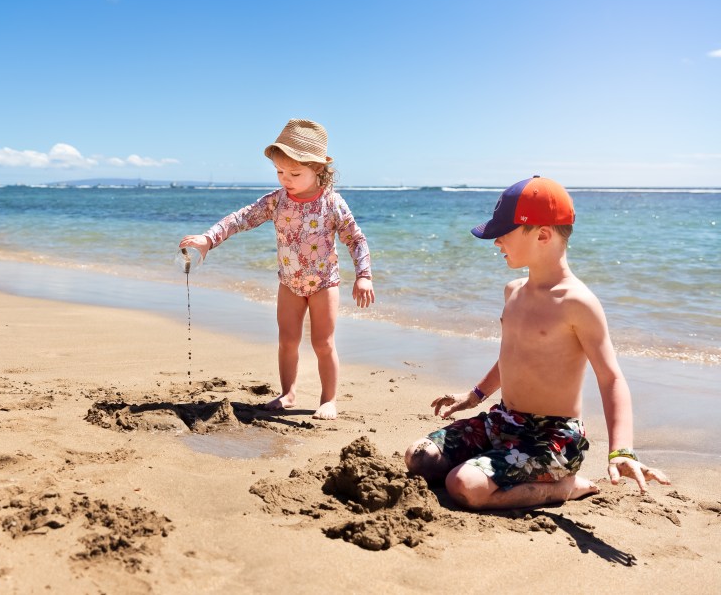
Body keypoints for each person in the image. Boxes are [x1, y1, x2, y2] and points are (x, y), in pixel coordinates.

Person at [404, 176, 670, 509]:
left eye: (504, 233)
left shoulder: (577, 303)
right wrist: (475, 395)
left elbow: (611, 378)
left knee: (463, 485)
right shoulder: (513, 291)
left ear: (542, 235)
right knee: (420, 457)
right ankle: (499, 464)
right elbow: (513, 357)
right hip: (503, 421)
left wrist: (622, 451)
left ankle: (563, 487)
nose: (496, 242)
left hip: (552, 438)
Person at [179, 119, 374, 420]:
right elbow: (241, 218)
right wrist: (209, 239)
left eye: (295, 173)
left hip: (324, 283)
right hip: (289, 283)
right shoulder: (276, 201)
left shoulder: (332, 203)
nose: (286, 179)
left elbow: (355, 239)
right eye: (280, 172)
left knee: (323, 343)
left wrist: (363, 276)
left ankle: (328, 400)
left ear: (318, 169)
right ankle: (288, 393)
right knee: (287, 341)